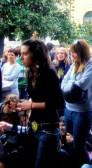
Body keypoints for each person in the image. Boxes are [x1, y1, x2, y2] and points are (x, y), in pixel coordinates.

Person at [0, 39, 65, 168]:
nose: (21, 56)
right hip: (33, 127)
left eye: (25, 54)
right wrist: (21, 104)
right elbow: (37, 99)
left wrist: (30, 105)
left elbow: (59, 103)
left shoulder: (49, 73)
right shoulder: (30, 72)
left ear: (35, 54)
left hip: (48, 129)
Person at [61, 39, 92, 167]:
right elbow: (63, 84)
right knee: (69, 141)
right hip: (69, 108)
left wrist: (70, 87)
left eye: (75, 53)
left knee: (78, 144)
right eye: (72, 52)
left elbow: (80, 87)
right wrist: (70, 88)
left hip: (83, 111)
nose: (72, 55)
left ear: (81, 52)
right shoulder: (75, 64)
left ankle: (86, 166)